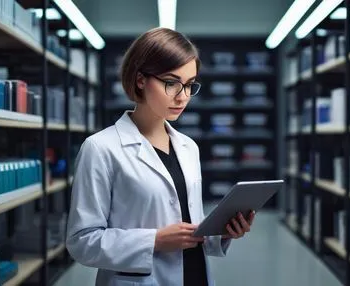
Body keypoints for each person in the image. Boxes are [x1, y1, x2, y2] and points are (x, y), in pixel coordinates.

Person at [65, 27, 255, 286]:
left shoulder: (188, 147)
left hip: (194, 275)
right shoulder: (100, 148)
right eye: (171, 83)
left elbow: (190, 225)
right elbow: (81, 241)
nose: (183, 97)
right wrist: (153, 241)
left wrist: (223, 232)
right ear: (141, 79)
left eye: (189, 85)